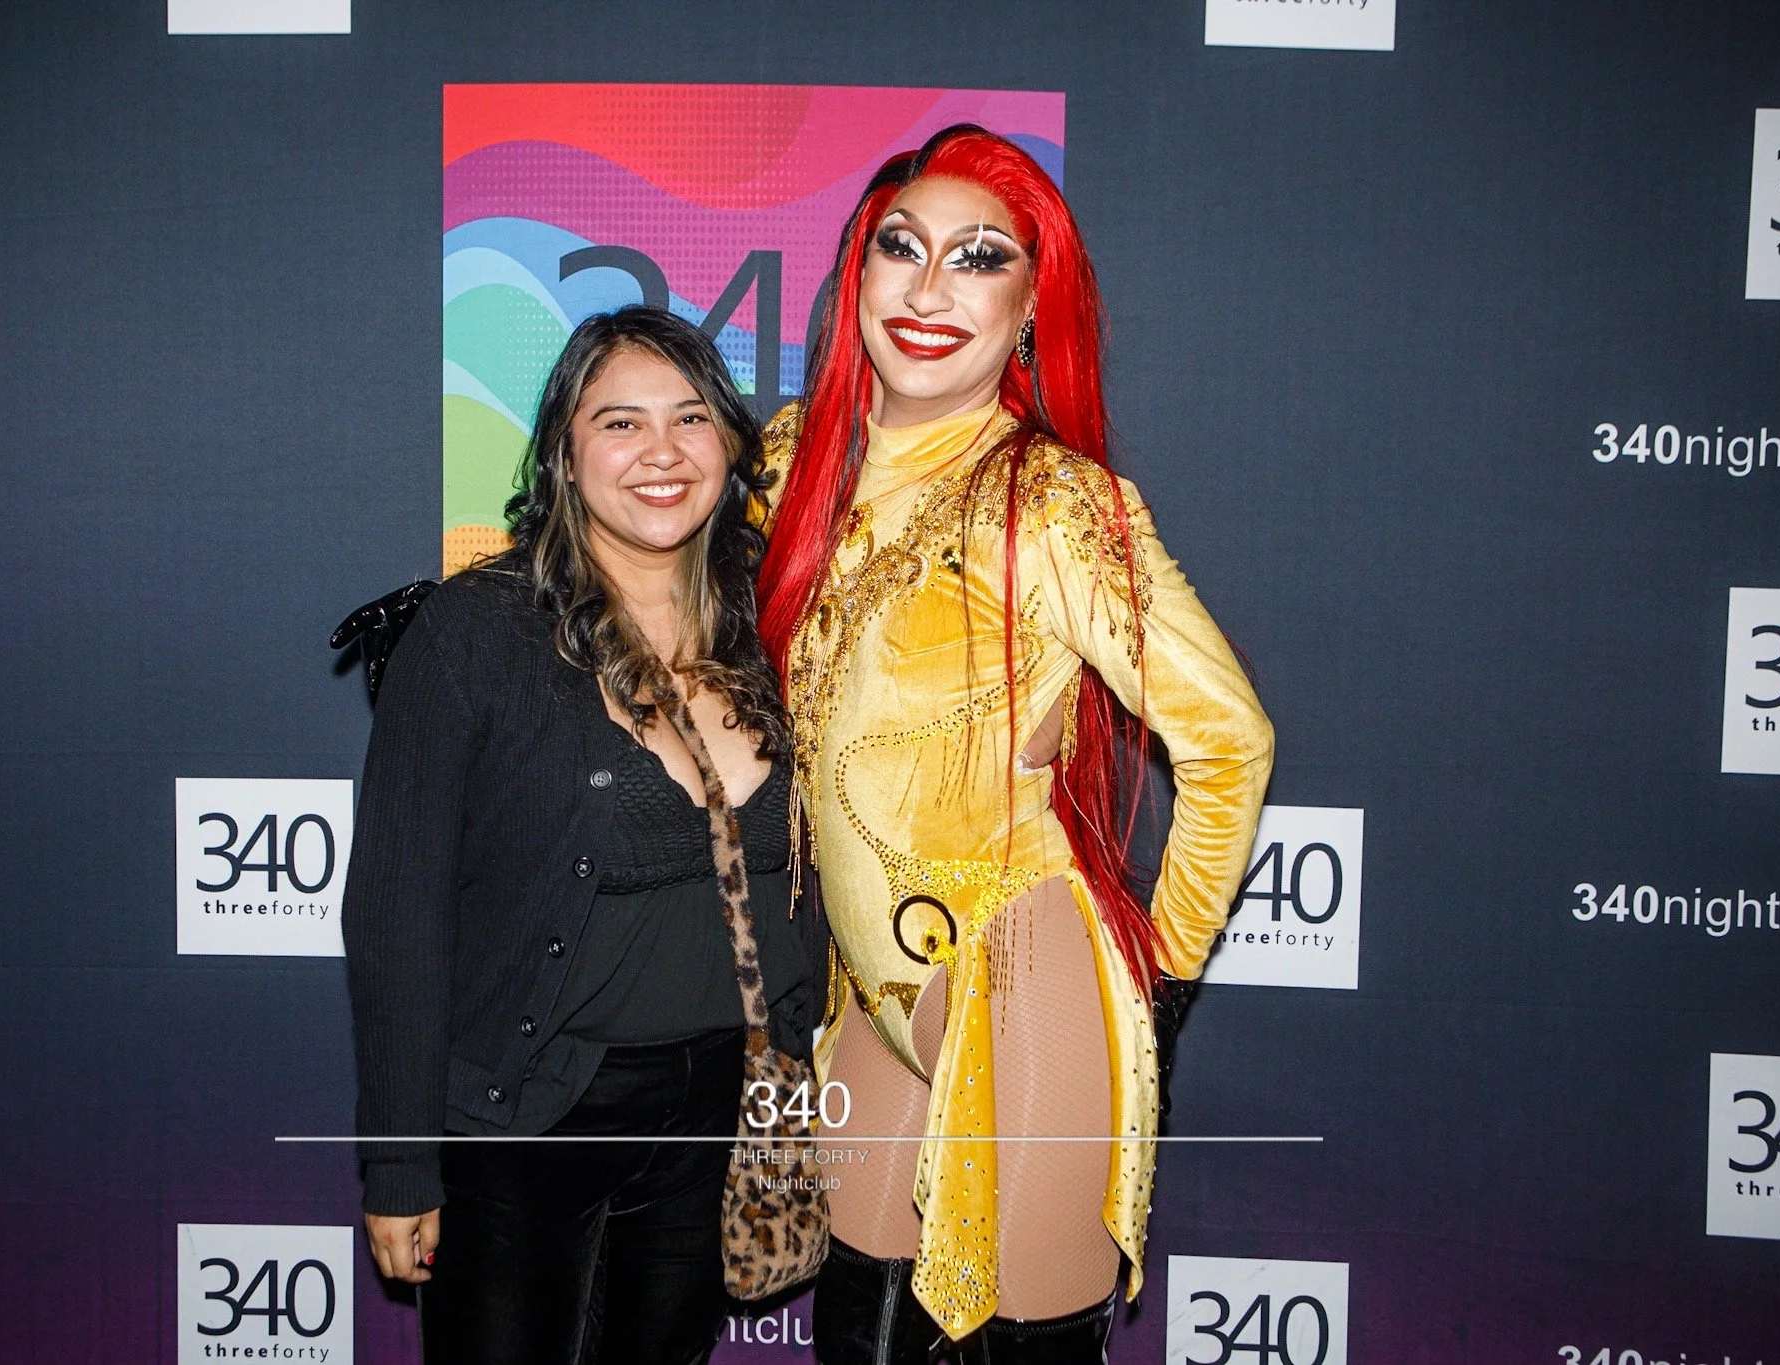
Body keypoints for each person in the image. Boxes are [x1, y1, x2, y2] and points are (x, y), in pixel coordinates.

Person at [753, 126, 1276, 1360]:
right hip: (864, 992)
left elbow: (1228, 739)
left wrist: (1162, 976)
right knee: (858, 1332)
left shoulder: (1051, 502)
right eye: (902, 248)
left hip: (1019, 982)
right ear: (857, 274)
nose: (930, 289)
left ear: (1032, 308)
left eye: (979, 259)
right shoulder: (785, 462)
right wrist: (492, 618)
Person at [342, 306, 821, 1365]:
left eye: (690, 418)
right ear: (564, 453)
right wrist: (400, 1162)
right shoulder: (474, 632)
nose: (662, 451)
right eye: (620, 423)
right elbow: (396, 914)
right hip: (526, 1117)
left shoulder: (781, 620)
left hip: (719, 1114)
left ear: (730, 444)